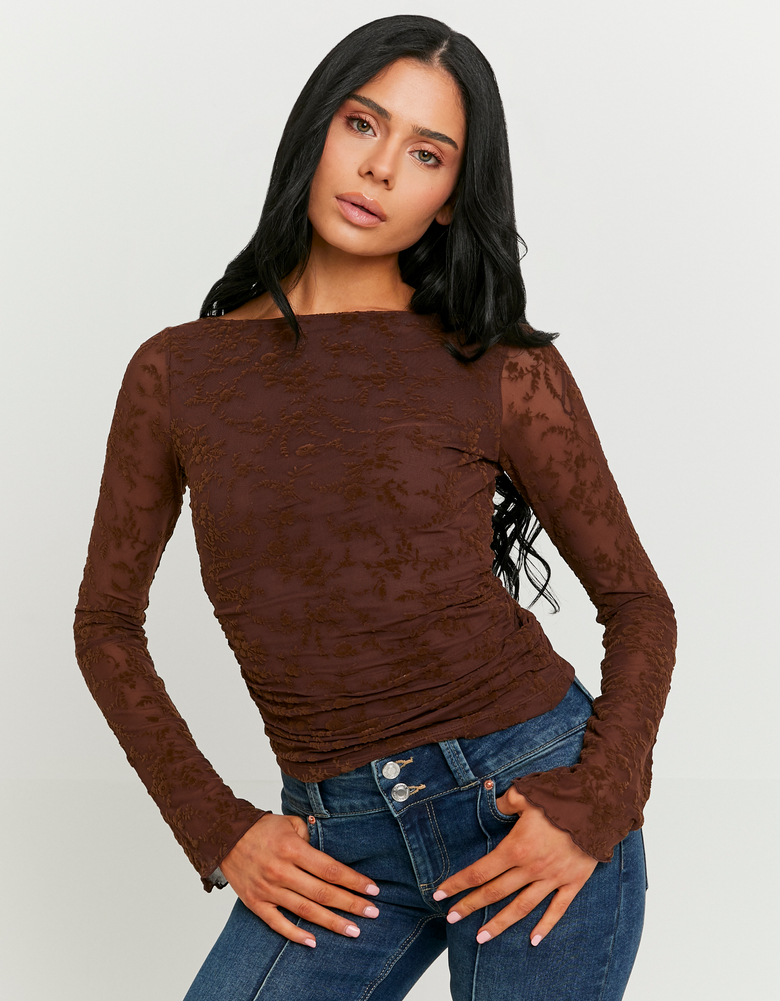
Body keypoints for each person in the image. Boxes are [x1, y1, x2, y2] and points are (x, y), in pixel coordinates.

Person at [74, 14, 676, 1001]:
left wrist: (596, 802)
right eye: (362, 124)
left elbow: (640, 605)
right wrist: (219, 826)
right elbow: (105, 624)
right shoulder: (177, 372)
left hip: (527, 798)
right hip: (336, 838)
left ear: (450, 199)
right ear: (316, 129)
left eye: (427, 153)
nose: (381, 168)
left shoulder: (497, 365)